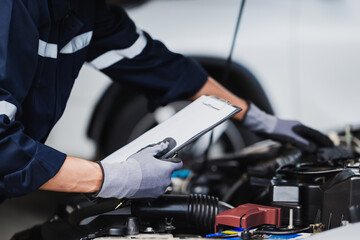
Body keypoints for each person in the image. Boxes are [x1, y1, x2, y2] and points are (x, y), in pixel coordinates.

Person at [0, 0, 333, 201]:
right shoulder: (12, 11)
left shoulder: (87, 11)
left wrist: (257, 119)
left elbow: (160, 66)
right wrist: (113, 178)